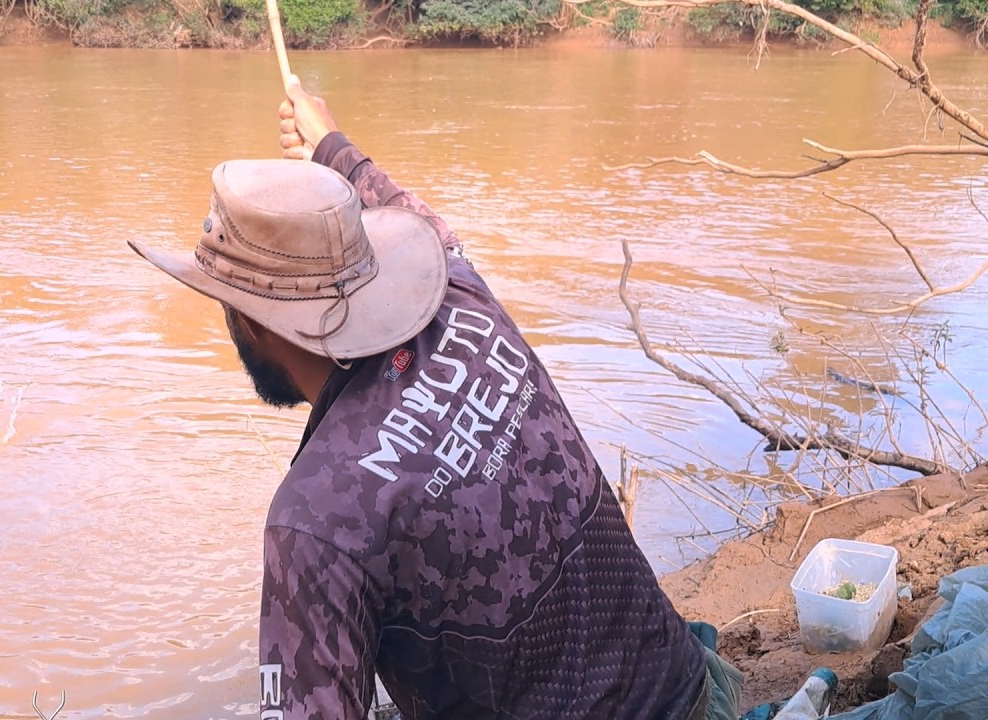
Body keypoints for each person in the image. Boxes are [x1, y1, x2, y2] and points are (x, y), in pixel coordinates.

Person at [127, 79, 743, 720]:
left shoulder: (315, 518)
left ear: (252, 322)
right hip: (692, 689)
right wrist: (330, 144)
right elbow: (411, 214)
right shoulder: (461, 291)